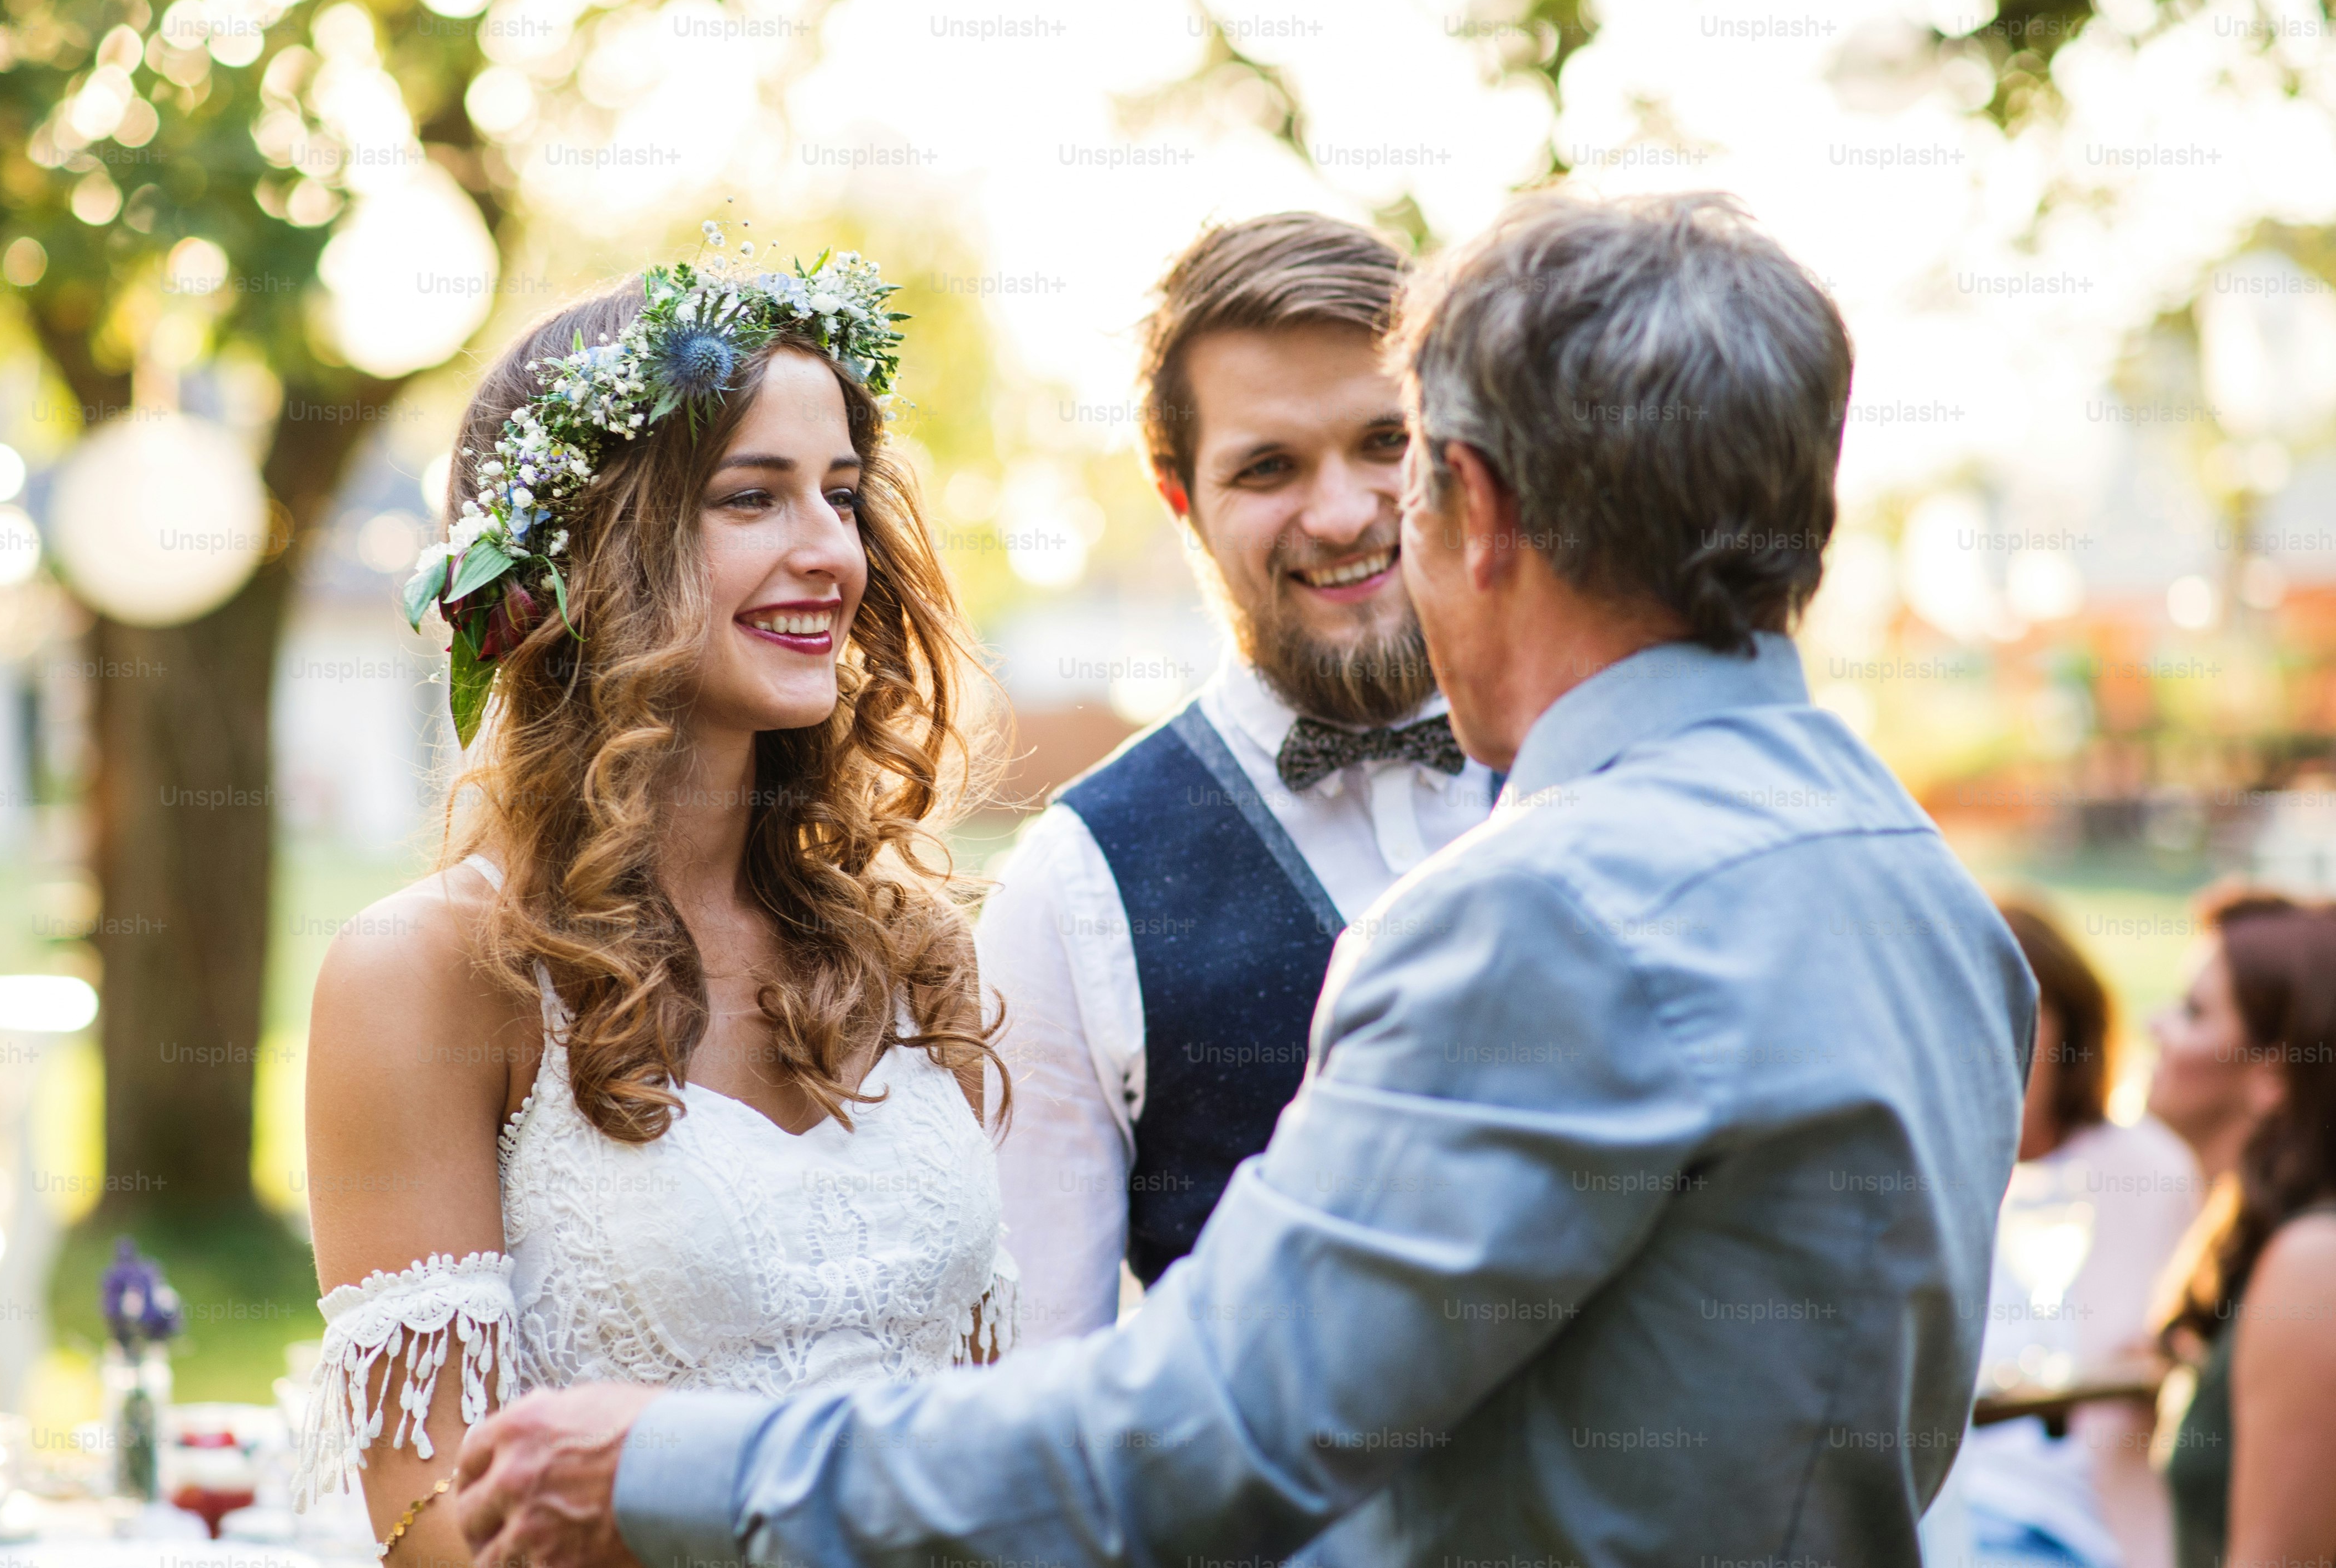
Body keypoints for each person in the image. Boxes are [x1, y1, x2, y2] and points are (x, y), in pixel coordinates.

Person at [447, 191, 2038, 1568]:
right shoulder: (1925, 889)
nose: (1362, 525)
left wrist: (665, 1463)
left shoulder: (1541, 914)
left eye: (1403, 471)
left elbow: (1200, 1435)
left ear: (1475, 510)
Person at [294, 235, 1014, 1567]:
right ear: (586, 550)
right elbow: (433, 1523)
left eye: (841, 496)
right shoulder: (431, 972)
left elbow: (985, 1431)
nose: (831, 553)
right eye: (753, 498)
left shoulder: (912, 952)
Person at [982, 213, 1499, 1343]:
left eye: (1386, 441)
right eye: (1269, 467)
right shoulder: (1072, 888)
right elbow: (1046, 1386)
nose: (1342, 513)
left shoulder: (1599, 769)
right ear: (1179, 498)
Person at [1944, 900, 2203, 1568]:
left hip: (2063, 1517)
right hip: (1943, 1505)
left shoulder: (2141, 1167)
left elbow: (2154, 1358)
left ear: (2069, 1033)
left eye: (2015, 1021)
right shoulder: (1925, 1171)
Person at [2143, 889, 2336, 1568]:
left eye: (2193, 1012)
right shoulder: (2255, 1233)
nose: (2153, 1025)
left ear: (2272, 1073)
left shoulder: (2314, 1263)